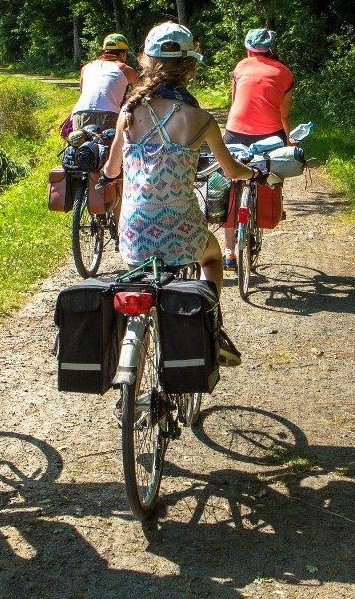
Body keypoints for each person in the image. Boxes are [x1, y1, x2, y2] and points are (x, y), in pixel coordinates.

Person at [102, 22, 257, 364]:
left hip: (135, 232)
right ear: (191, 65)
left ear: (145, 61)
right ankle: (209, 326)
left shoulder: (128, 112)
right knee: (213, 257)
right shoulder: (200, 119)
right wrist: (253, 173)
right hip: (181, 229)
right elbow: (232, 171)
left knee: (141, 281)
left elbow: (112, 170)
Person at [221, 27, 295, 268]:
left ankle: (229, 252)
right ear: (272, 48)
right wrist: (288, 138)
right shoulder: (284, 73)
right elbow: (283, 113)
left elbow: (233, 104)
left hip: (235, 131)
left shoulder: (240, 67)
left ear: (248, 48)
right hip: (270, 134)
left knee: (231, 185)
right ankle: (268, 211)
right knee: (270, 172)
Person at [68, 33, 139, 137]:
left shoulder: (87, 67)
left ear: (104, 51)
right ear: (123, 53)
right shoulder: (126, 70)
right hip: (109, 114)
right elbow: (140, 95)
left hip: (79, 113)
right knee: (110, 151)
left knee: (82, 151)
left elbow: (82, 92)